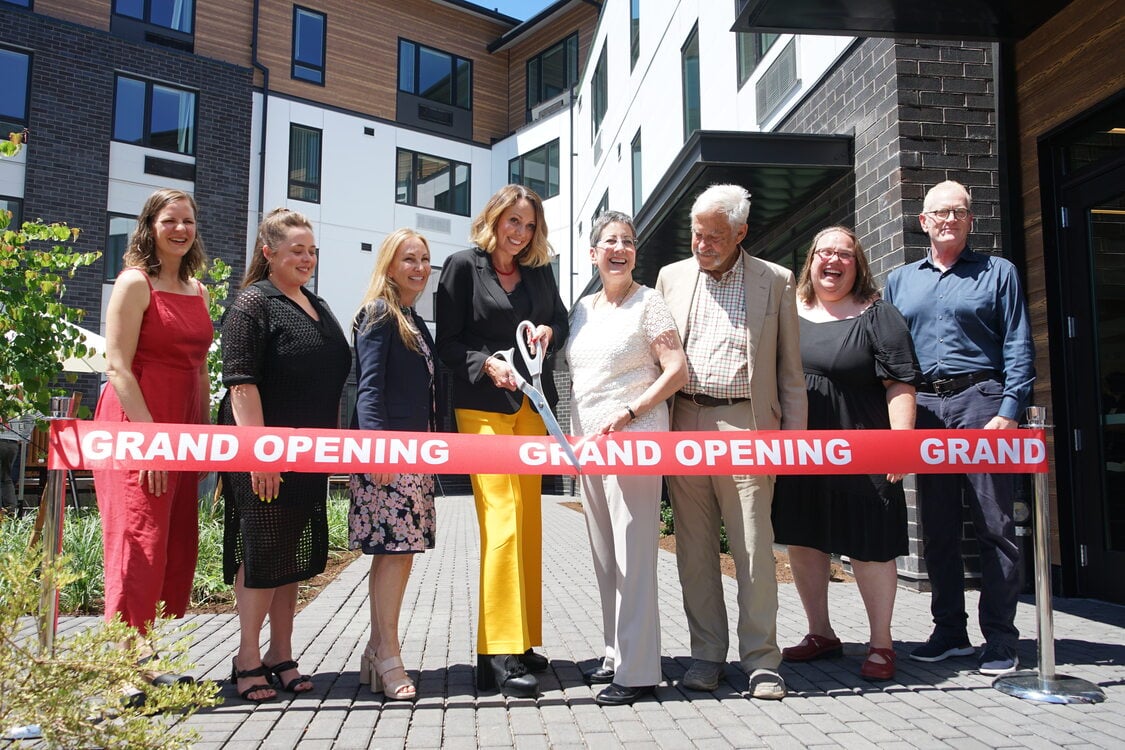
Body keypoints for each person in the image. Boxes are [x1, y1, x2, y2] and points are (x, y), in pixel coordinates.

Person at [655, 183, 806, 700]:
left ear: (741, 233)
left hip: (747, 425)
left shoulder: (776, 280)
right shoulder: (669, 278)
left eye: (715, 236)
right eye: (697, 234)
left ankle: (763, 661)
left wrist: (793, 443)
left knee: (753, 550)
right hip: (685, 421)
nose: (702, 244)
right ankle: (705, 656)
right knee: (694, 552)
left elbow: (791, 373)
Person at [884, 180, 1035, 676]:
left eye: (959, 211)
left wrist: (1010, 408)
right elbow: (888, 355)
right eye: (939, 212)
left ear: (971, 220)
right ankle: (950, 631)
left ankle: (1001, 639)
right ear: (922, 221)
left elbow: (1017, 343)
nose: (949, 219)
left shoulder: (999, 273)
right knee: (938, 528)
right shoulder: (900, 281)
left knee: (996, 527)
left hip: (982, 403)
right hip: (925, 406)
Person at [436, 184, 569, 698]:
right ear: (494, 219)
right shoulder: (461, 268)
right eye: (513, 221)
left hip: (533, 406)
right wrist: (485, 363)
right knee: (503, 521)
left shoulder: (538, 272)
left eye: (529, 224)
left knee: (529, 520)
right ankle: (496, 654)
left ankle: (524, 639)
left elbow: (557, 318)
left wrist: (546, 334)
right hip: (483, 409)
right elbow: (449, 342)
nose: (520, 232)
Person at [772, 227, 920, 681]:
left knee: (871, 543)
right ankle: (821, 632)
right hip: (799, 451)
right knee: (804, 537)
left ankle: (881, 642)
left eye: (844, 255)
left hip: (865, 450)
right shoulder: (787, 313)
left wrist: (901, 441)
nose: (833, 262)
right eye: (824, 253)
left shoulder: (879, 315)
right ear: (810, 261)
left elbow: (900, 382)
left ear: (857, 266)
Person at [218, 208, 351, 702]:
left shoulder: (315, 303)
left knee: (289, 554)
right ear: (268, 252)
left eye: (312, 250)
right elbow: (241, 384)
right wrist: (261, 455)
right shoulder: (253, 303)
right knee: (262, 551)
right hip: (265, 453)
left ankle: (281, 652)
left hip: (306, 453)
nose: (307, 258)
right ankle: (247, 658)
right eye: (297, 250)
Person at [565, 211, 687, 706]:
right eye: (609, 241)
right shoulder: (582, 309)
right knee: (605, 558)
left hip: (635, 441)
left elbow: (676, 370)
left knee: (634, 557)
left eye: (628, 242)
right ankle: (615, 652)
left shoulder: (649, 303)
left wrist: (632, 409)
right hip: (588, 447)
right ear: (593, 254)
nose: (619, 249)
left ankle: (639, 670)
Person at [92, 188, 212, 683]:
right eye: (170, 220)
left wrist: (202, 438)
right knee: (136, 540)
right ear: (150, 225)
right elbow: (117, 366)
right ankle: (125, 668)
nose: (180, 229)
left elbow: (201, 369)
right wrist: (149, 442)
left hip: (182, 428)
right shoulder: (133, 282)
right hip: (136, 424)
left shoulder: (198, 291)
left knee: (169, 542)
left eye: (187, 221)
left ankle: (144, 656)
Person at [349, 229, 439, 702]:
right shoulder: (380, 314)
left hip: (414, 454)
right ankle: (388, 655)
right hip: (388, 455)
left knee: (400, 554)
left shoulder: (414, 321)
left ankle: (377, 647)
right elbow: (368, 387)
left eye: (424, 259)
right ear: (388, 264)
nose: (419, 267)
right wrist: (377, 448)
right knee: (394, 552)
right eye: (409, 259)